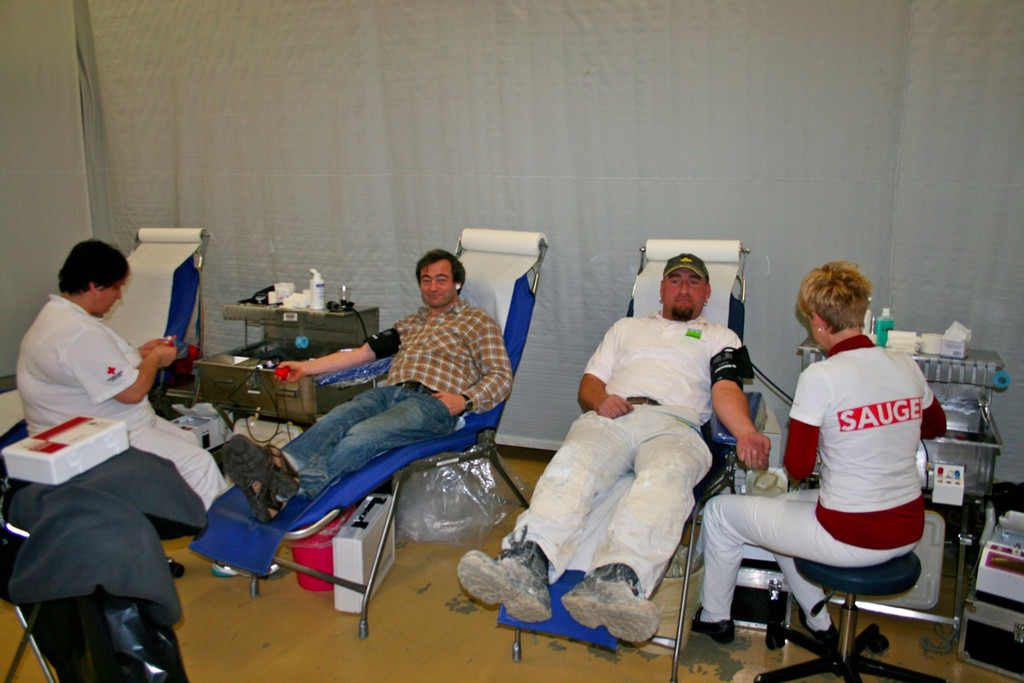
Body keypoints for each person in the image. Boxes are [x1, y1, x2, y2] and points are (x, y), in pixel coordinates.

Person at [457, 253, 771, 643]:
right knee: (572, 464)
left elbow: (725, 389)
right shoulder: (626, 328)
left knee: (665, 480)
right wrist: (601, 401)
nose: (684, 288)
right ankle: (526, 563)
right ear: (661, 289)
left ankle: (616, 580)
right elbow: (590, 383)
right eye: (676, 280)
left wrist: (745, 432)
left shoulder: (721, 337)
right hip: (614, 416)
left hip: (675, 425)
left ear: (707, 293)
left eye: (694, 282)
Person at [691, 261, 947, 645]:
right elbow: (935, 425)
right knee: (783, 508)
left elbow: (797, 467)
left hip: (852, 535)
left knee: (719, 513)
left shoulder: (821, 377)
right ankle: (819, 620)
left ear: (817, 322)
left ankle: (715, 618)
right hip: (908, 526)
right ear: (860, 311)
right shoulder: (904, 364)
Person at [221, 249, 513, 521]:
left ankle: (289, 491)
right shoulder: (409, 324)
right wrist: (305, 367)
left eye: (441, 279)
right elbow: (361, 355)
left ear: (457, 283)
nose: (433, 287)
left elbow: (501, 376)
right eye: (426, 280)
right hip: (387, 394)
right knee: (334, 421)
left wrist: (465, 400)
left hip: (430, 403)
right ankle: (280, 467)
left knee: (360, 437)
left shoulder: (477, 321)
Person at [16, 239, 227, 509]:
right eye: (116, 287)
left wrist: (138, 354)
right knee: (200, 465)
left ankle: (183, 516)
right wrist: (155, 359)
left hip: (103, 425)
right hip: (93, 437)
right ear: (95, 287)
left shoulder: (58, 317)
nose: (119, 297)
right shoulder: (79, 333)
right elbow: (133, 392)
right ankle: (220, 530)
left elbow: (90, 367)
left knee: (188, 439)